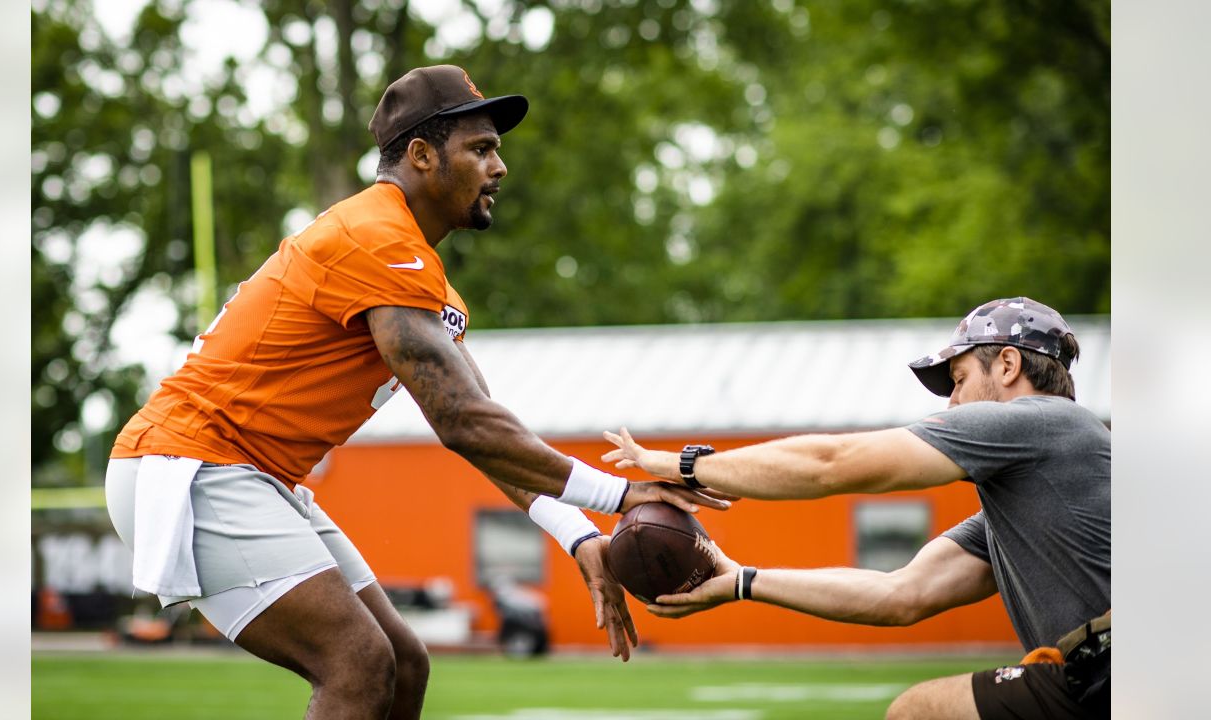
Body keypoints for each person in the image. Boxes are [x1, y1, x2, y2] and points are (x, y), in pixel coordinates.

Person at [104, 65, 728, 720]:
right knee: (357, 664)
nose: (500, 167)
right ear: (423, 156)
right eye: (481, 148)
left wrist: (578, 534)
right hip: (191, 464)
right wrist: (622, 495)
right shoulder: (376, 239)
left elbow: (488, 429)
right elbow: (460, 421)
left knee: (403, 664)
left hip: (246, 472)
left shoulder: (416, 273)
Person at [603, 297, 1110, 720]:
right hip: (1109, 675)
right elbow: (899, 595)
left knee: (918, 712)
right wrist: (743, 581)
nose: (954, 403)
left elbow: (832, 463)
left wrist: (681, 464)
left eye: (957, 379)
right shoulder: (1024, 497)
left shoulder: (1037, 421)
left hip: (1115, 671)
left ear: (1007, 364)